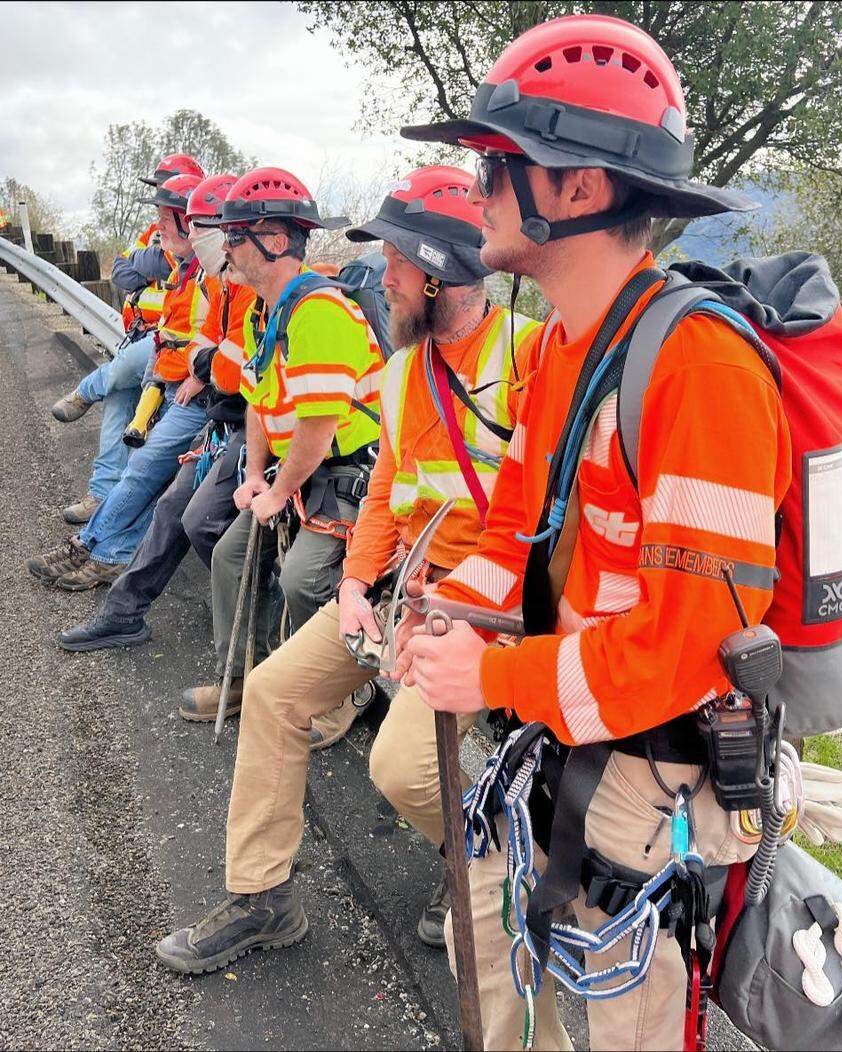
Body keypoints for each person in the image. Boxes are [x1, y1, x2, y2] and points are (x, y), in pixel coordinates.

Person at [392, 15, 792, 1050]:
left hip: (657, 764)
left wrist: (489, 681)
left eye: (495, 164)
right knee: (485, 923)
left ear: (578, 188)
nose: (474, 189)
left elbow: (683, 648)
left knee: (631, 1024)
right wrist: (445, 613)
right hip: (576, 729)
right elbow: (519, 533)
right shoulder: (567, 351)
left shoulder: (702, 373)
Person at [153, 166, 540, 974]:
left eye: (397, 263)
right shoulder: (403, 372)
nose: (383, 280)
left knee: (398, 767)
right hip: (405, 589)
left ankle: (489, 858)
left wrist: (446, 603)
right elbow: (385, 500)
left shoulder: (531, 359)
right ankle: (264, 899)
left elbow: (544, 525)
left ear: (437, 272)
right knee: (272, 691)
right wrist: (360, 585)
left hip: (488, 613)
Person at [176, 166, 382, 746]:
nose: (226, 249)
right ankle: (243, 679)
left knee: (303, 579)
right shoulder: (263, 312)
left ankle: (348, 690)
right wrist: (253, 475)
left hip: (346, 476)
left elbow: (318, 430)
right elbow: (258, 405)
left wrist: (274, 490)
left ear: (275, 239)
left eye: (236, 236)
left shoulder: (319, 312)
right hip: (296, 476)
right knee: (229, 557)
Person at [55, 174, 258, 653]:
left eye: (216, 229)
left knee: (193, 517)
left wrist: (207, 364)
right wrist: (206, 363)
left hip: (239, 426)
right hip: (222, 417)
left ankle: (254, 648)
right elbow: (206, 355)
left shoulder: (248, 289)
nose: (216, 240)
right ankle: (119, 608)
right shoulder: (222, 284)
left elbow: (231, 372)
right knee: (172, 506)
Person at [28, 172, 223, 591]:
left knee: (144, 474)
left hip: (193, 393)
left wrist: (195, 370)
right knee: (142, 471)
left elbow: (215, 342)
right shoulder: (192, 273)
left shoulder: (212, 277)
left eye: (167, 216)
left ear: (193, 224)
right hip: (168, 382)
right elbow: (132, 279)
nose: (160, 225)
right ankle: (103, 553)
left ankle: (90, 546)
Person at [52, 153, 203, 525]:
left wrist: (147, 262)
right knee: (120, 393)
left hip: (170, 342)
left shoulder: (196, 238)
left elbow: (155, 263)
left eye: (166, 193)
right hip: (143, 334)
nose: (159, 200)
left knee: (120, 375)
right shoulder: (157, 232)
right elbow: (122, 269)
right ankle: (101, 493)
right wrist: (146, 261)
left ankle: (86, 390)